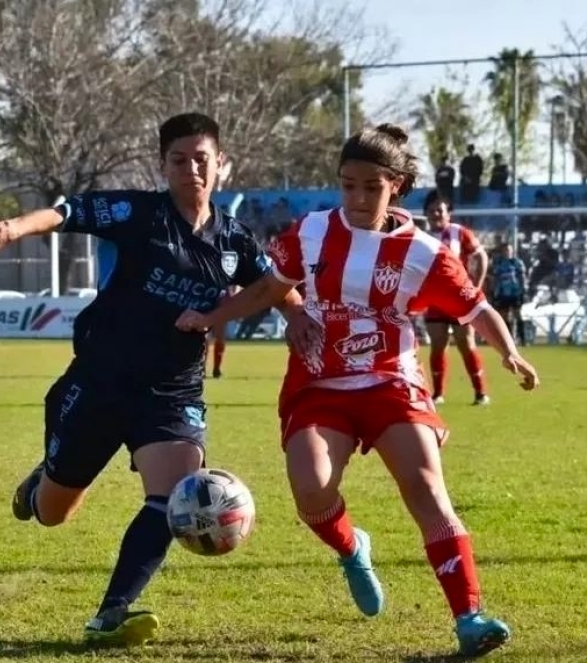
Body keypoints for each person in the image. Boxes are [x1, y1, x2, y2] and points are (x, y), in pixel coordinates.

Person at [175, 123, 539, 658]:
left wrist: (509, 350)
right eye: (348, 185)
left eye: (372, 187)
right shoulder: (311, 232)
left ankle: (470, 617)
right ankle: (351, 547)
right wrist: (210, 317)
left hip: (393, 381)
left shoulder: (424, 252)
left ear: (395, 185)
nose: (359, 197)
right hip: (319, 383)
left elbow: (476, 308)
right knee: (313, 489)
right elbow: (268, 288)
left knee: (427, 492)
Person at [0, 112, 306, 647]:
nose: (192, 170)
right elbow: (65, 213)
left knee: (176, 496)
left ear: (221, 165)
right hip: (99, 381)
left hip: (172, 392)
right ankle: (43, 480)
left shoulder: (234, 242)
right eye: (179, 161)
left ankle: (112, 611)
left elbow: (277, 289)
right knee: (52, 514)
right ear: (163, 166)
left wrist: (300, 321)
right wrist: (8, 229)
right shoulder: (138, 212)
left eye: (202, 159)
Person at [423, 191, 491, 405]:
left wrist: (477, 286)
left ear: (448, 213)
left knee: (466, 342)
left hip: (459, 298)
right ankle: (438, 394)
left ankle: (481, 393)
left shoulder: (459, 233)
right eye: (432, 210)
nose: (436, 214)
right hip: (433, 302)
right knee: (438, 345)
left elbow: (481, 256)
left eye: (440, 210)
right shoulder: (420, 236)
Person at [490, 242, 527, 345]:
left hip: (515, 293)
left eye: (509, 250)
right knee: (504, 316)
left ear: (512, 251)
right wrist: (495, 292)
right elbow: (496, 279)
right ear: (502, 252)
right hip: (503, 293)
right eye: (505, 250)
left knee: (517, 314)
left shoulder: (517, 263)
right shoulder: (499, 264)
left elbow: (522, 277)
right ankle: (509, 339)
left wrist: (523, 290)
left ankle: (523, 339)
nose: (507, 252)